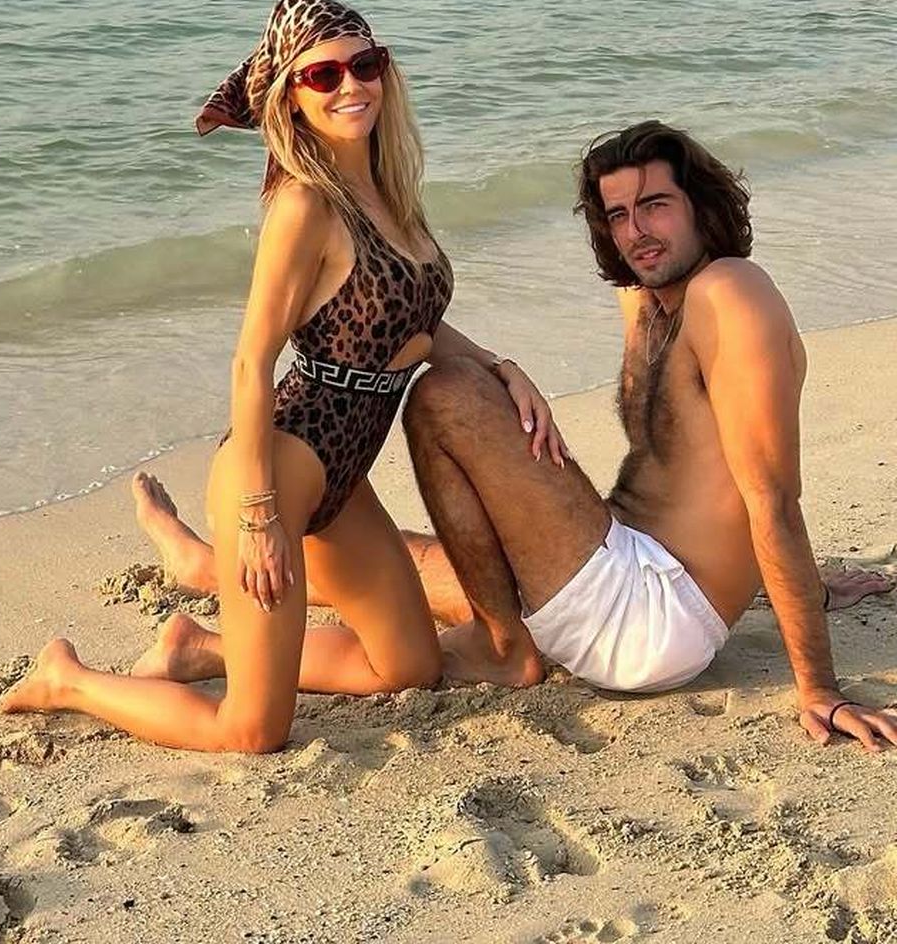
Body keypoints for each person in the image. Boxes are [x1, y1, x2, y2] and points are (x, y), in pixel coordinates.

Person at [132, 121, 897, 752]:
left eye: (656, 206)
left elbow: (769, 495)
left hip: (655, 619)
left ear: (702, 205)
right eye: (618, 215)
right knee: (416, 563)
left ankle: (503, 648)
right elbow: (705, 479)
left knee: (446, 396)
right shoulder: (646, 299)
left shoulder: (734, 293)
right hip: (616, 559)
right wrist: (814, 585)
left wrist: (820, 688)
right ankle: (206, 581)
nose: (637, 232)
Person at [2, 0, 562, 752]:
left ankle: (196, 647)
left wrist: (501, 367)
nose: (351, 85)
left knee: (409, 667)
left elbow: (417, 327)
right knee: (252, 730)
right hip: (273, 471)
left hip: (342, 479)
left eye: (365, 64)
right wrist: (260, 516)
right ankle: (67, 679)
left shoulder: (387, 191)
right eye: (323, 75)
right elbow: (251, 359)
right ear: (291, 98)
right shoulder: (305, 206)